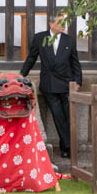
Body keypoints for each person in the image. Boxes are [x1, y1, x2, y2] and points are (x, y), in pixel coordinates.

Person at [20, 10, 82, 158]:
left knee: (69, 116)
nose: (63, 26)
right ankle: (68, 147)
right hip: (50, 84)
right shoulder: (40, 38)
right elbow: (31, 58)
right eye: (60, 23)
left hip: (67, 84)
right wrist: (21, 75)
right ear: (51, 24)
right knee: (58, 116)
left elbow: (75, 63)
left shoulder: (69, 40)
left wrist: (78, 81)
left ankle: (67, 146)